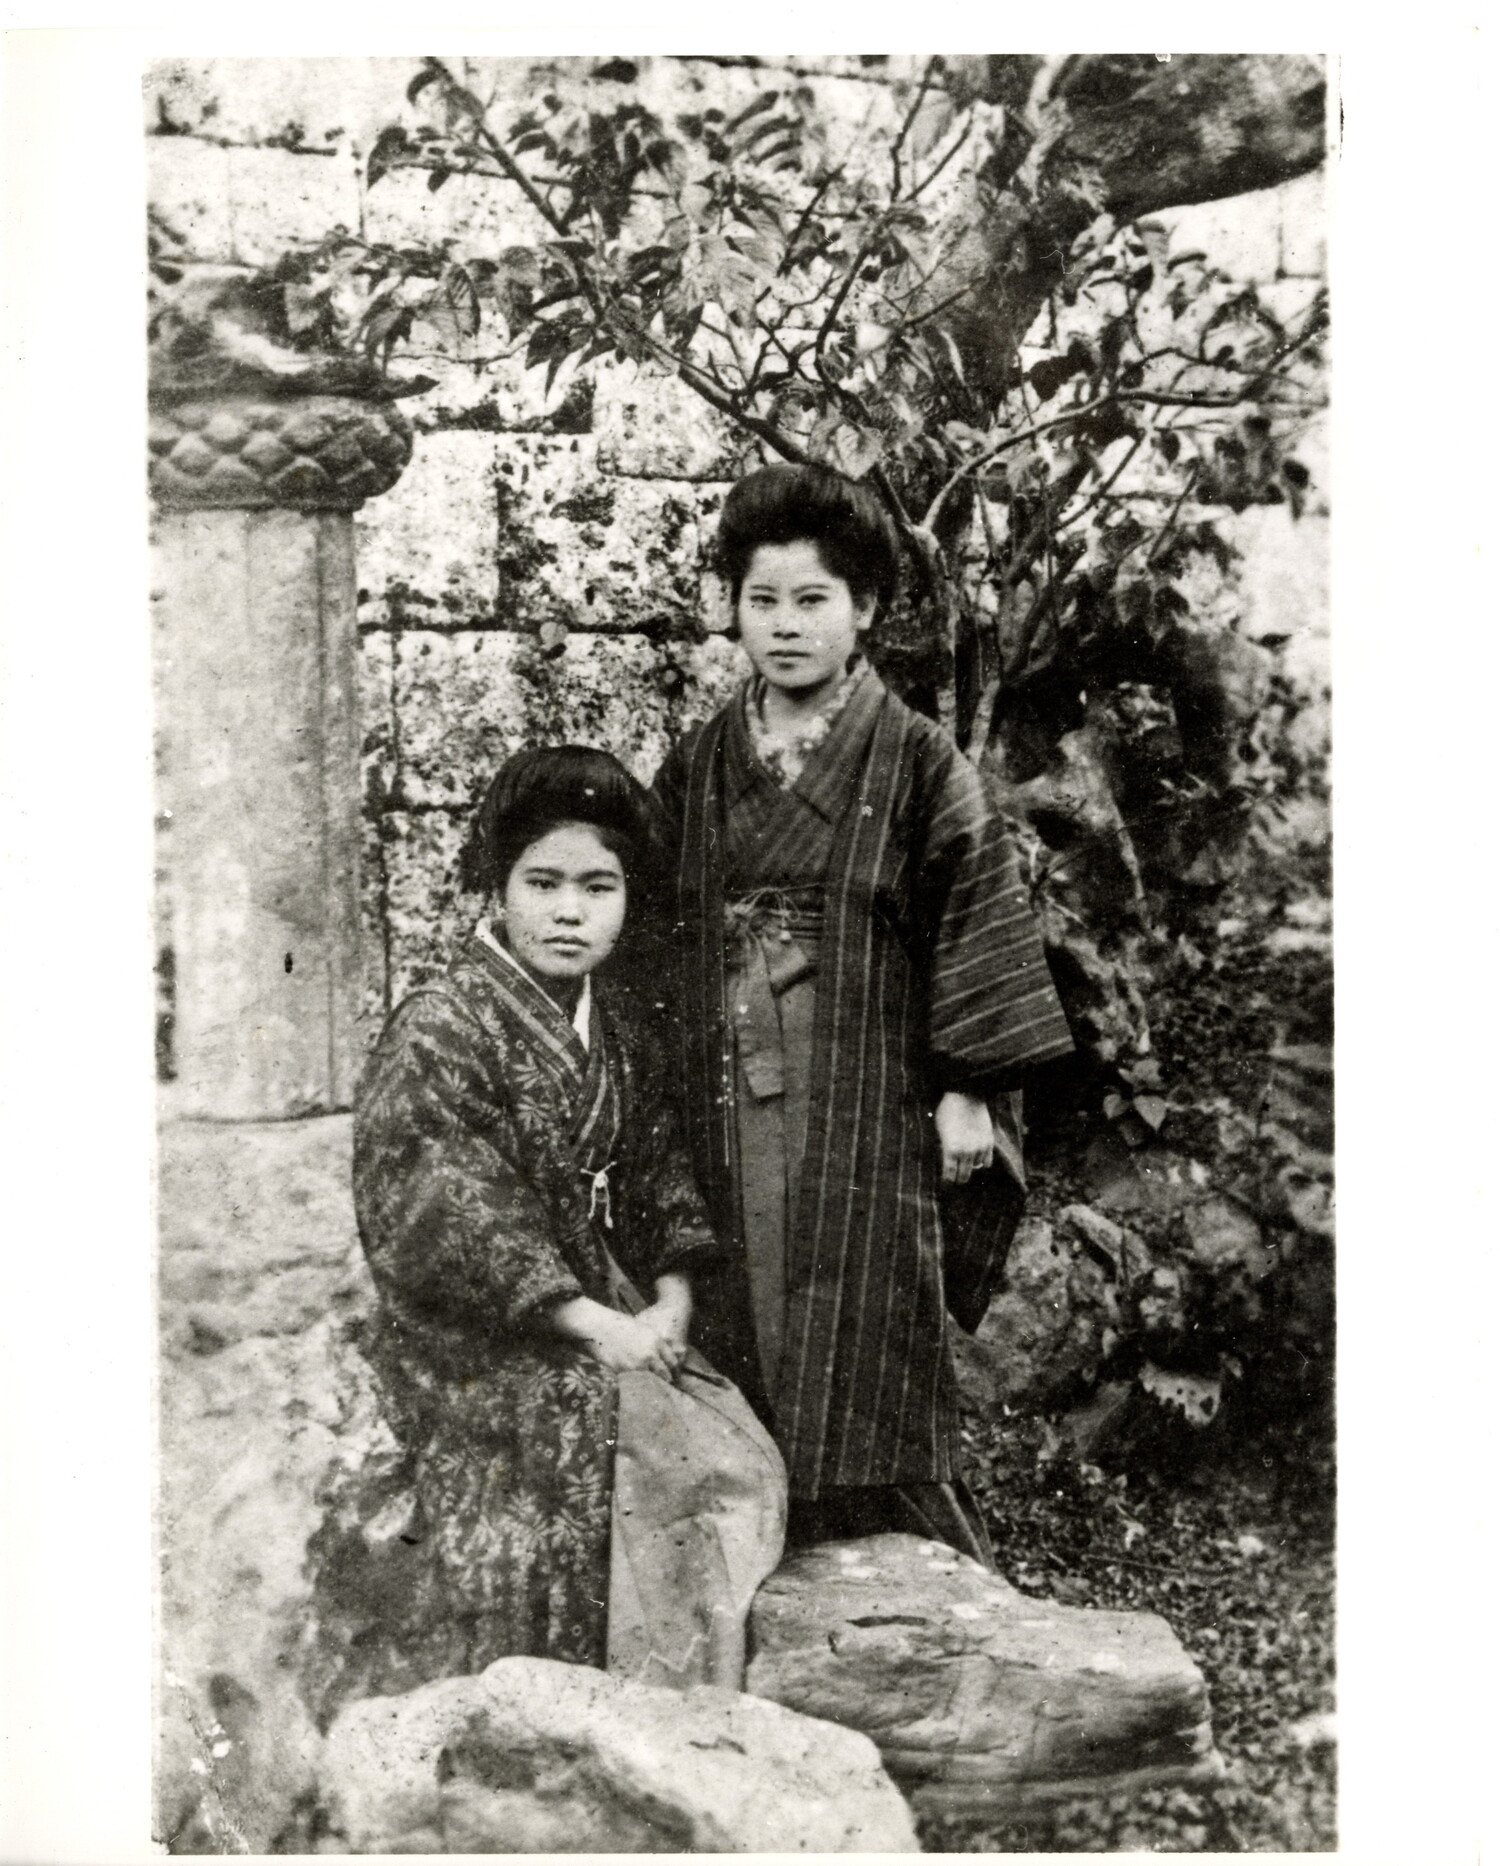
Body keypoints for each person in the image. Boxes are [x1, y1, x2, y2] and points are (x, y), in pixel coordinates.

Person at [305, 747, 784, 1727]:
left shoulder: (616, 1032)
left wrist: (672, 1299)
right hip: (482, 1345)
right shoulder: (441, 1028)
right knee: (574, 1444)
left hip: (608, 1314)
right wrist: (590, 1326)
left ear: (626, 897)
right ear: (502, 886)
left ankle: (684, 1724)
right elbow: (443, 1202)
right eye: (545, 883)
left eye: (598, 886)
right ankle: (557, 1735)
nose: (571, 910)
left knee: (727, 1449)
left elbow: (655, 1169)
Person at [651, 462, 1075, 1565]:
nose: (785, 627)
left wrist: (970, 1087)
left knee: (868, 1325)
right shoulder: (699, 766)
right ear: (731, 609)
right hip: (726, 1096)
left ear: (868, 610)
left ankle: (912, 1580)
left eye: (813, 600)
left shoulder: (920, 761)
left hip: (869, 1097)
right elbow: (652, 931)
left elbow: (973, 915)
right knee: (739, 1305)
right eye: (762, 601)